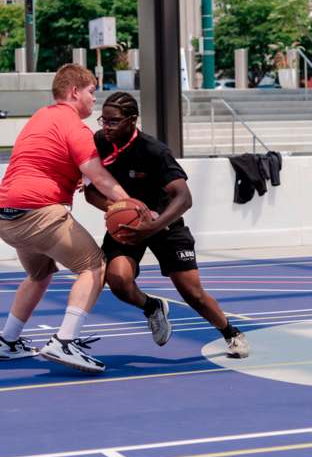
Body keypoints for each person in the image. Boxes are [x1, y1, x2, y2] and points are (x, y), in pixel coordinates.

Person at [0, 64, 136, 374]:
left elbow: (51, 162)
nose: (95, 99)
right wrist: (131, 202)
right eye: (92, 91)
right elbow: (98, 175)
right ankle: (65, 341)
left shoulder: (40, 117)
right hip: (38, 213)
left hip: (4, 215)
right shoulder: (74, 126)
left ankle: (6, 341)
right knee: (94, 265)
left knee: (40, 275)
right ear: (74, 92)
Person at [84, 92, 250, 358]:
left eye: (113, 121)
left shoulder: (153, 151)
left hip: (165, 224)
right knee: (117, 280)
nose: (106, 126)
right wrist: (121, 209)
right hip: (127, 224)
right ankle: (152, 307)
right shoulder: (99, 143)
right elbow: (91, 192)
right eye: (103, 120)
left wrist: (153, 224)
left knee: (192, 293)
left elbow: (184, 197)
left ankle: (231, 333)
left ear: (132, 120)